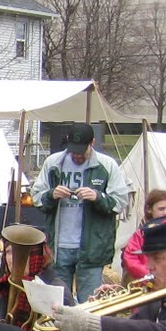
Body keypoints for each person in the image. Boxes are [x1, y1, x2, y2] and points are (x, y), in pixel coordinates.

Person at [30, 124, 132, 302]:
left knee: (89, 304)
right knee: (59, 303)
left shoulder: (107, 165)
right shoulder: (53, 164)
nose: (77, 155)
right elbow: (37, 197)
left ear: (92, 142)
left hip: (92, 249)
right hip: (59, 247)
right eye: (73, 151)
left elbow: (120, 202)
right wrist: (52, 195)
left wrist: (98, 197)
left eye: (81, 151)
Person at [119, 188, 166, 283]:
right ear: (149, 209)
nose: (165, 212)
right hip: (145, 281)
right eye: (161, 209)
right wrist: (150, 275)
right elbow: (130, 259)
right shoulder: (141, 233)